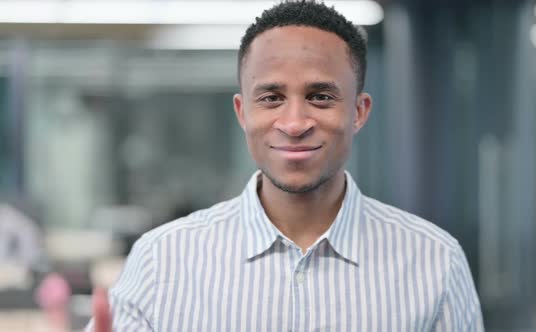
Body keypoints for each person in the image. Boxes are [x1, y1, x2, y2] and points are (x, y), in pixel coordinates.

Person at [88, 1, 484, 331]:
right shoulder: (163, 261)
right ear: (242, 113)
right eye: (271, 98)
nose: (294, 123)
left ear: (359, 112)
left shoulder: (435, 263)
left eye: (321, 97)